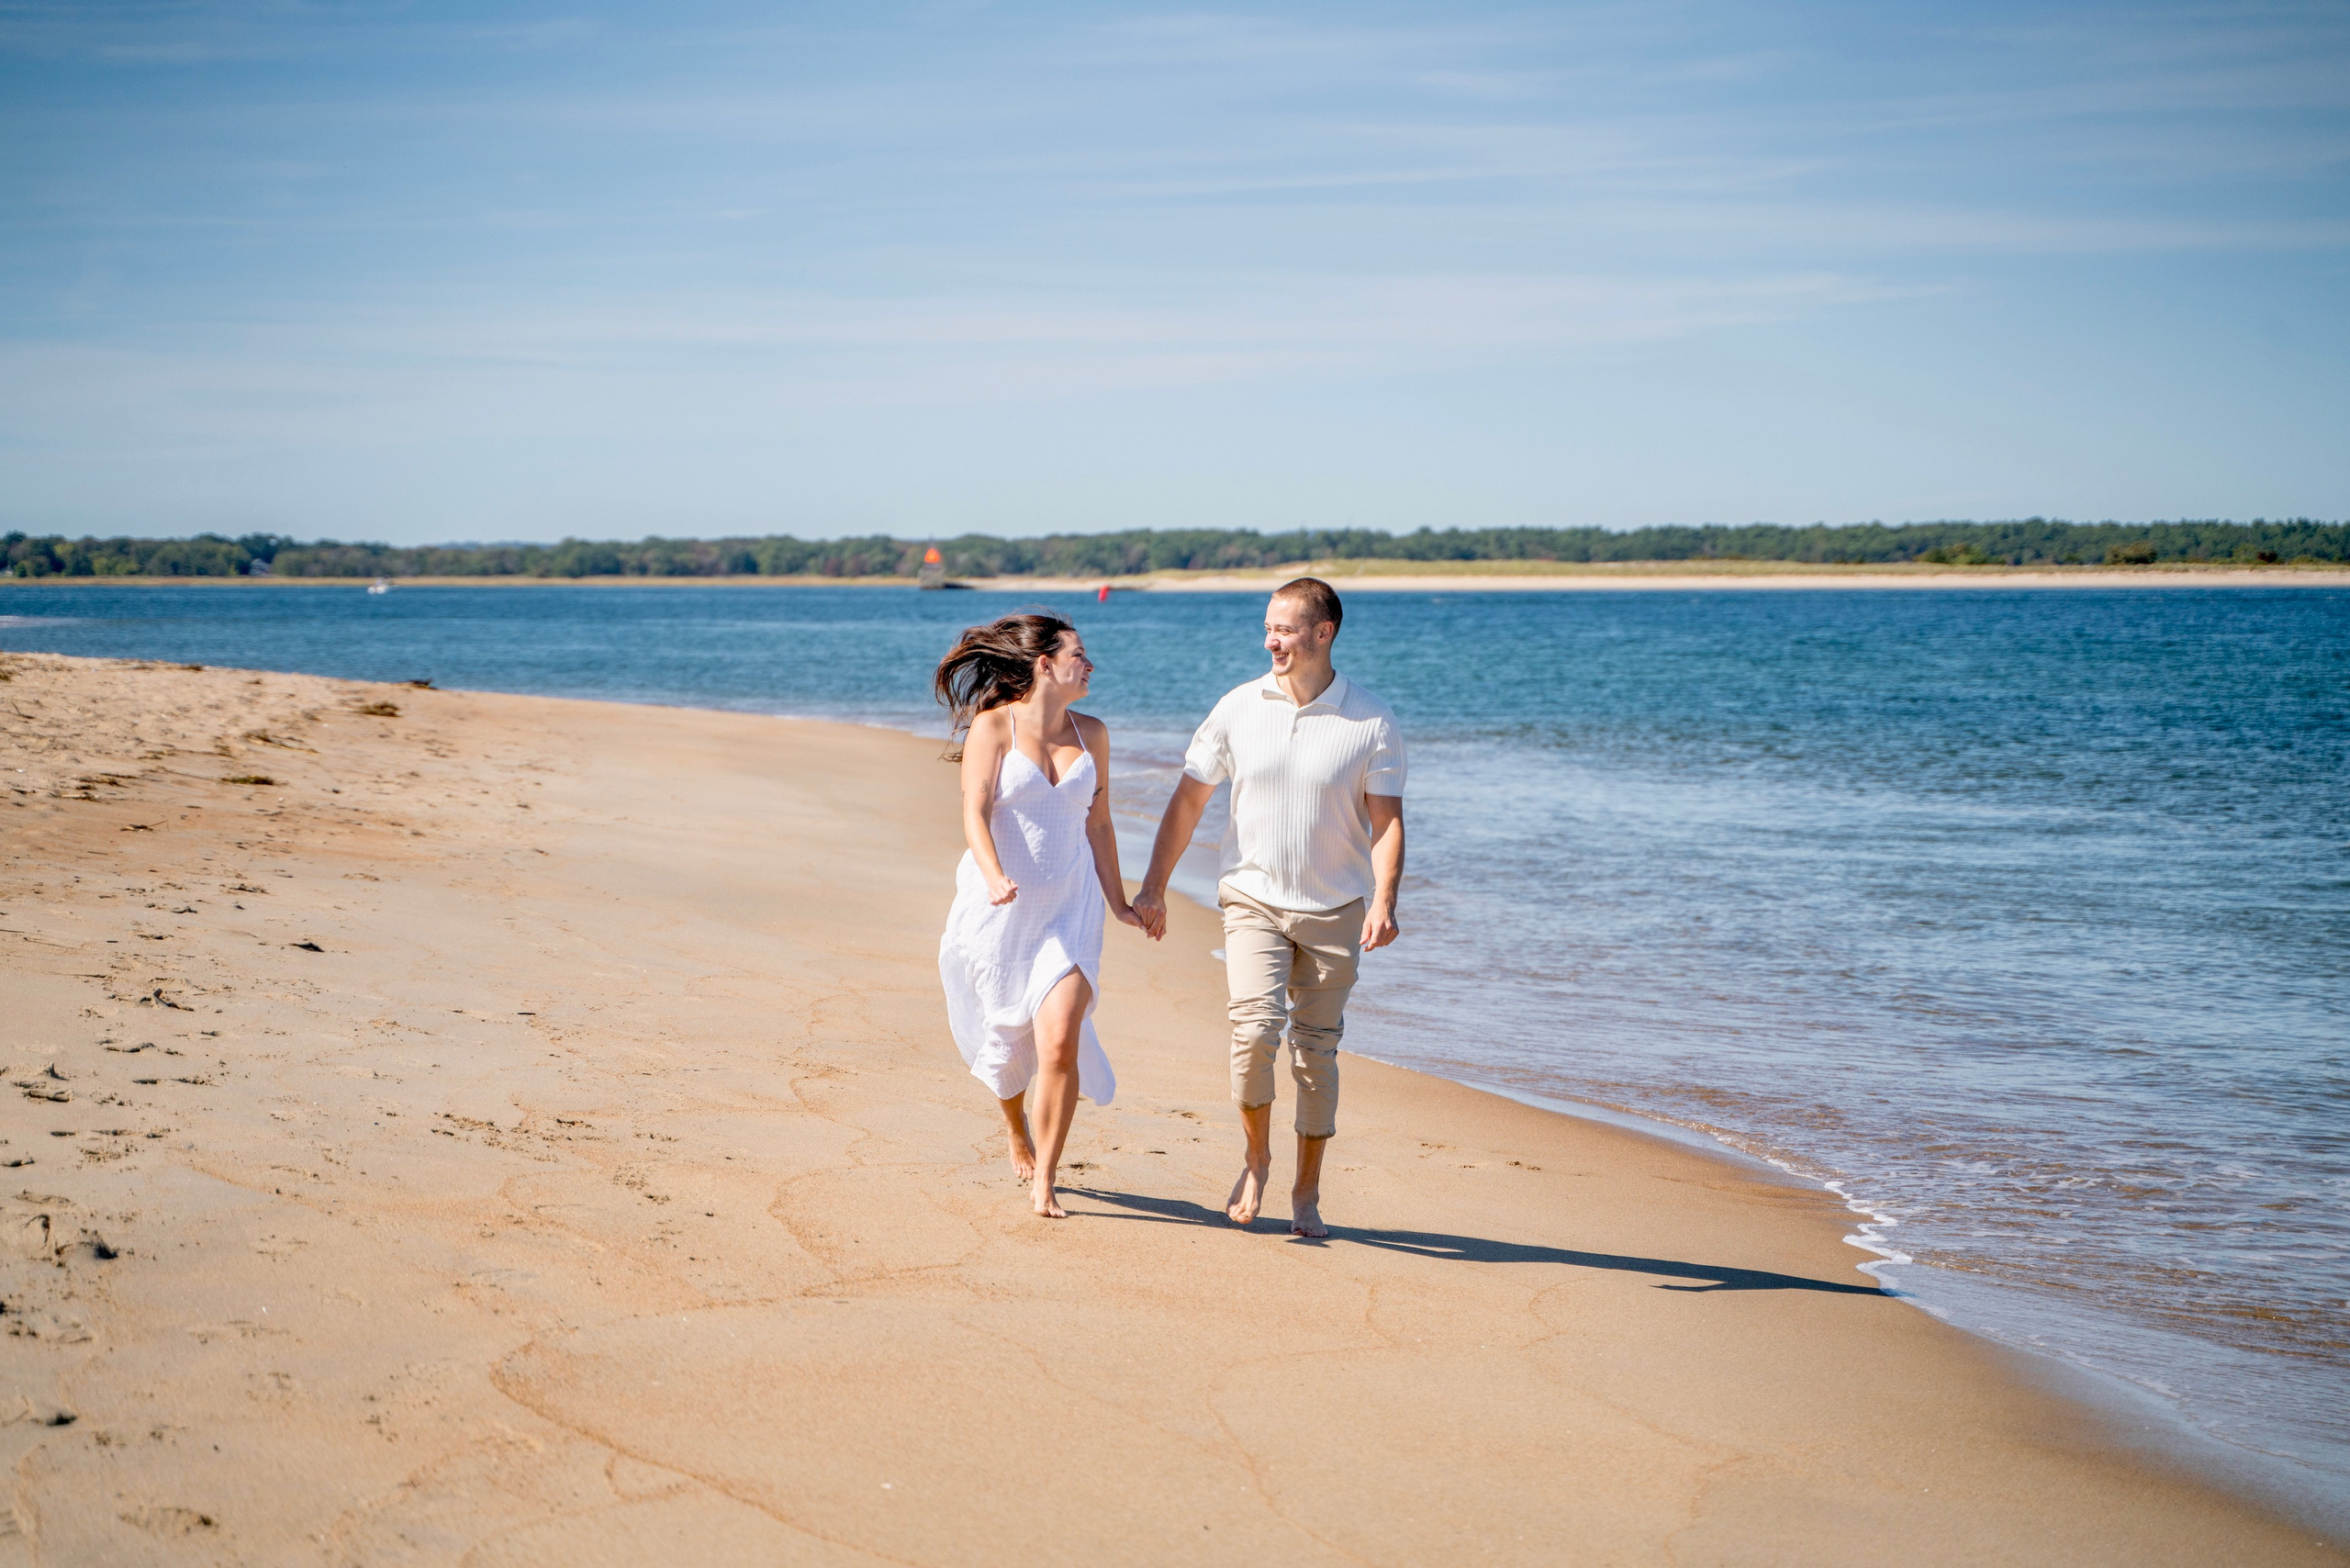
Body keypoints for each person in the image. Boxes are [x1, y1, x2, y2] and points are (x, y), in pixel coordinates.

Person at [1132, 578, 1405, 1238]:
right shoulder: (1237, 706)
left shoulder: (1371, 721)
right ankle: (1257, 1157)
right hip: (1252, 898)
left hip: (1335, 907)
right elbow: (1189, 801)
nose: (1271, 640)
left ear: (1323, 632)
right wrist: (1154, 885)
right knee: (1253, 1033)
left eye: (1284, 628)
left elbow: (1387, 824)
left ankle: (1306, 1193)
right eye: (1267, 628)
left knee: (1316, 1055)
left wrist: (1385, 901)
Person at [935, 612, 1143, 1218]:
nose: (1091, 664)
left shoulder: (1093, 734)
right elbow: (975, 812)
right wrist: (996, 873)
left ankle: (1045, 1178)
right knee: (1007, 1037)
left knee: (1058, 1043)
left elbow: (1099, 825)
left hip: (1069, 915)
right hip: (1001, 913)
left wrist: (1121, 903)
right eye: (1080, 654)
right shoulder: (993, 727)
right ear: (1044, 664)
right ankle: (1014, 1127)